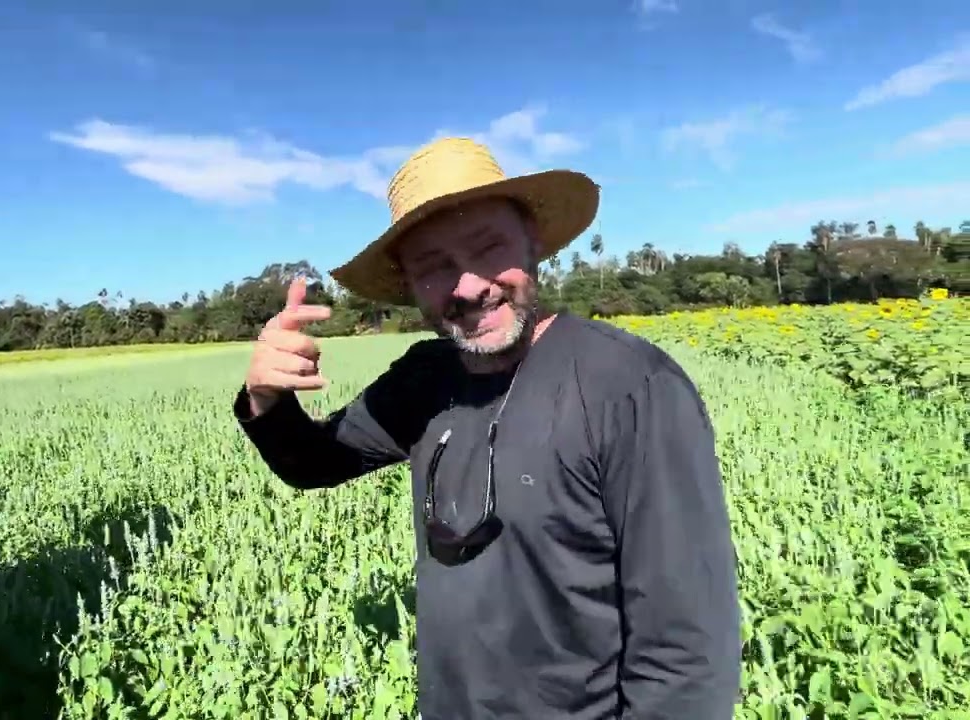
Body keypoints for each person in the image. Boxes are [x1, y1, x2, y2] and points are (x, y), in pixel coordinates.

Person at [234, 138, 743, 719]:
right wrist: (267, 398)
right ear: (410, 284)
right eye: (433, 266)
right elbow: (314, 462)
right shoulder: (425, 379)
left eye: (488, 246)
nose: (468, 285)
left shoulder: (630, 386)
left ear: (532, 243)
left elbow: (685, 653)